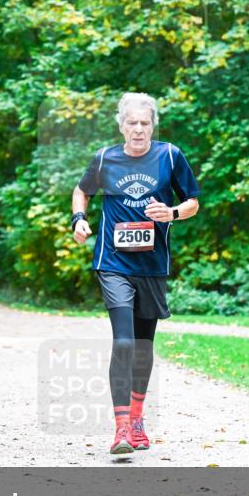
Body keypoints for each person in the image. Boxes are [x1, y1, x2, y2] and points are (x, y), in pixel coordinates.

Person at [71, 92, 200, 455]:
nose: (138, 129)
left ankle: (139, 417)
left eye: (145, 123)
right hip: (112, 263)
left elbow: (193, 201)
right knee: (124, 342)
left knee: (143, 345)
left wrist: (171, 213)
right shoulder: (105, 158)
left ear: (152, 125)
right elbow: (81, 192)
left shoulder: (170, 155)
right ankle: (122, 427)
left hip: (152, 265)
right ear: (121, 124)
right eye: (132, 123)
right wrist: (79, 220)